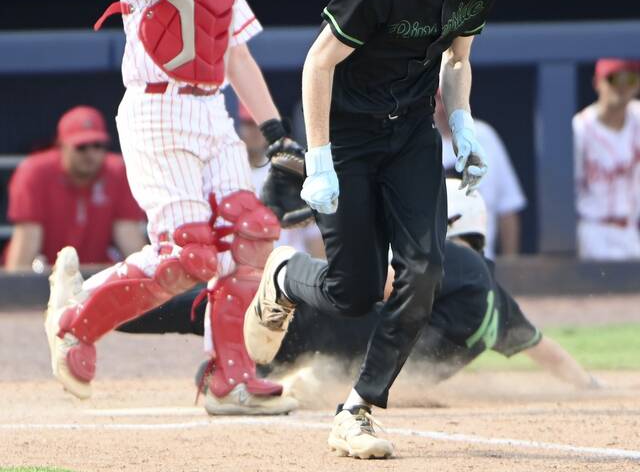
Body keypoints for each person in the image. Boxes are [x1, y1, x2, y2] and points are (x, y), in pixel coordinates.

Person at [244, 0, 509, 459]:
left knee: (424, 269)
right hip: (345, 136)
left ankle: (358, 408)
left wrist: (461, 124)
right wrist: (318, 158)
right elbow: (318, 63)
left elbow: (458, 60)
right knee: (355, 291)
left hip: (412, 131)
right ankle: (286, 276)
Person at [44, 0, 299, 417]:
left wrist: (277, 129)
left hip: (211, 111)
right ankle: (74, 323)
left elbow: (236, 55)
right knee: (190, 257)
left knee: (254, 232)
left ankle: (230, 378)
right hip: (158, 111)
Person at [119, 179, 599, 413]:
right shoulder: (498, 300)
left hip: (322, 327)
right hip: (339, 355)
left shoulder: (450, 259)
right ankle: (256, 373)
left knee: (203, 310)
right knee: (220, 329)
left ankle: (103, 310)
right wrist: (591, 388)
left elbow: (381, 284)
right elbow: (548, 352)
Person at [5, 106, 145, 272]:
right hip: (47, 275)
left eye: (98, 145)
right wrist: (15, 293)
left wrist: (154, 288)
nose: (90, 154)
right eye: (81, 147)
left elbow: (128, 236)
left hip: (96, 276)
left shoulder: (118, 171)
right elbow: (27, 244)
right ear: (61, 145)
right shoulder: (34, 172)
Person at [434, 91, 527, 257]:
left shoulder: (485, 136)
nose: (445, 106)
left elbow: (508, 208)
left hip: (482, 263)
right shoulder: (417, 142)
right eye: (439, 99)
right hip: (434, 268)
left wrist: (510, 265)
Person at [237, 103, 326, 257]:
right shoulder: (232, 175)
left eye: (259, 126)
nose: (255, 132)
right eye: (249, 124)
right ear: (240, 127)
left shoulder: (286, 168)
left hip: (292, 266)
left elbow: (314, 233)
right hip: (251, 270)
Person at [573, 58, 640, 260]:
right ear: (598, 82)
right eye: (614, 79)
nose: (621, 87)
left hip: (631, 230)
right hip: (593, 230)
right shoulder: (580, 128)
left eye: (628, 79)